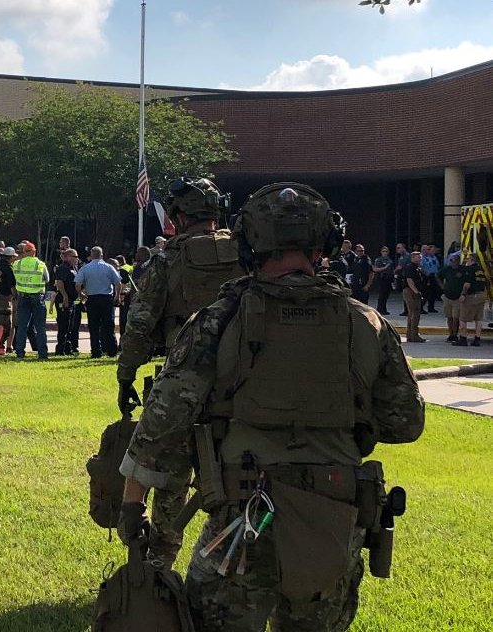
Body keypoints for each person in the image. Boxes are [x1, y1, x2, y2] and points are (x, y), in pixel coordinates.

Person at [117, 182, 424, 632]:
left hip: (243, 520)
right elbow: (406, 423)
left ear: (249, 243)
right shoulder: (365, 322)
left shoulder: (220, 320)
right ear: (326, 244)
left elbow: (161, 423)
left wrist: (131, 506)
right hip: (332, 518)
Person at [114, 177, 243, 567]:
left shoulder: (167, 260)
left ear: (179, 216)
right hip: (242, 381)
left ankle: (160, 562)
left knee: (171, 475)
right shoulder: (247, 254)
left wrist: (125, 376)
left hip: (183, 378)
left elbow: (139, 324)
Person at [75, 246, 122, 358]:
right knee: (108, 326)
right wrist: (117, 295)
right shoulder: (108, 267)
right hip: (106, 299)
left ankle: (96, 351)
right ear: (102, 255)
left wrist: (81, 294)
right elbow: (118, 283)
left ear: (91, 255)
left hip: (92, 299)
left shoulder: (85, 268)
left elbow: (77, 284)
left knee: (94, 326)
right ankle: (112, 350)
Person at [11, 240, 49, 360]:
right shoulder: (40, 264)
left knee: (22, 326)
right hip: (37, 297)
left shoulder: (17, 264)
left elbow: (14, 278)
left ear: (24, 252)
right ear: (34, 252)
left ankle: (20, 353)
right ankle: (42, 354)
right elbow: (47, 279)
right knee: (40, 327)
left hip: (22, 297)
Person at [53, 248, 80, 355]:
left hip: (72, 300)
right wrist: (65, 296)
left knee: (70, 326)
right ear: (68, 257)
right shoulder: (63, 268)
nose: (77, 259)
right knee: (63, 325)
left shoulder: (73, 268)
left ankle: (68, 348)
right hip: (64, 300)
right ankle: (60, 349)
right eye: (75, 257)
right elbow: (59, 282)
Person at [456, 253, 487, 347]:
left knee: (462, 318)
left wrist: (463, 295)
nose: (466, 261)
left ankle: (463, 339)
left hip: (472, 296)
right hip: (481, 295)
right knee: (479, 319)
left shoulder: (469, 270)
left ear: (472, 260)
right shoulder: (481, 270)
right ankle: (477, 339)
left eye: (467, 259)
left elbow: (467, 284)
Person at [438, 252, 465, 343]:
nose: (453, 262)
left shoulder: (462, 270)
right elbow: (437, 275)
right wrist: (442, 286)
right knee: (449, 317)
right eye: (451, 260)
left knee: (456, 317)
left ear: (458, 261)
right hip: (447, 297)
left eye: (454, 260)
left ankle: (455, 334)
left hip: (457, 298)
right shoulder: (447, 269)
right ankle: (450, 334)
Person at [402, 251, 425, 343]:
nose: (420, 258)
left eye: (420, 257)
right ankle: (414, 335)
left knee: (412, 313)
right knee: (415, 313)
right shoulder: (410, 267)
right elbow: (409, 280)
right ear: (412, 258)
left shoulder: (417, 267)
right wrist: (416, 292)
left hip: (414, 291)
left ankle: (411, 335)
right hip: (411, 291)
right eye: (418, 257)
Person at [372, 245, 394, 314]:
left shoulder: (389, 259)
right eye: (383, 251)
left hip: (388, 278)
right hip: (382, 278)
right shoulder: (379, 259)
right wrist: (385, 267)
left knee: (386, 295)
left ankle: (384, 309)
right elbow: (375, 269)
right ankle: (380, 309)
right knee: (382, 294)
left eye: (386, 251)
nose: (385, 253)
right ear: (381, 252)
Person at [420, 245, 441, 313]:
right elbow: (420, 267)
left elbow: (437, 266)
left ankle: (431, 307)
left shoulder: (433, 257)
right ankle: (421, 307)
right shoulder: (421, 258)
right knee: (425, 292)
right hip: (426, 276)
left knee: (433, 292)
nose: (427, 251)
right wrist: (425, 273)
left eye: (428, 249)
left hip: (434, 275)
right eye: (426, 249)